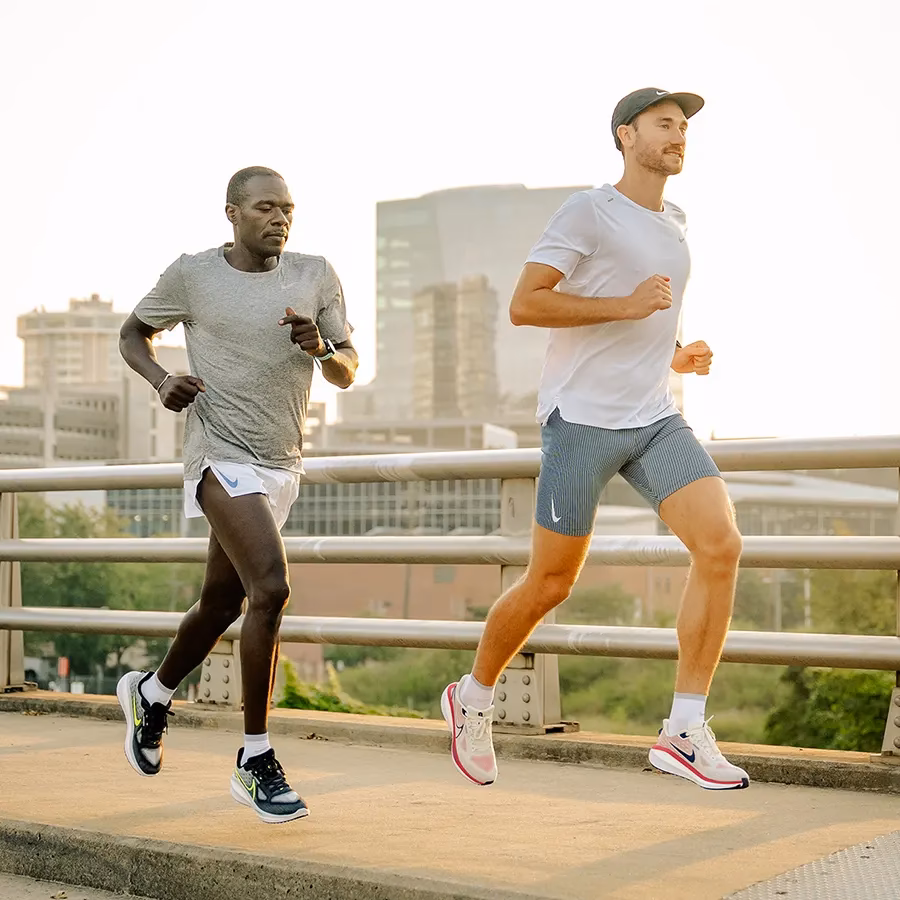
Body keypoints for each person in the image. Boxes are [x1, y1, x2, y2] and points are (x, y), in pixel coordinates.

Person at [442, 89, 749, 791]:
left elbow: (642, 319)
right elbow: (528, 303)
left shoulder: (674, 222)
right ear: (625, 135)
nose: (679, 136)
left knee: (721, 546)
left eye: (684, 128)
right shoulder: (589, 210)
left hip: (654, 417)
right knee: (551, 583)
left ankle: (683, 729)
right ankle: (474, 696)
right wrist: (627, 305)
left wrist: (674, 354)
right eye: (665, 125)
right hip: (580, 421)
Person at [116, 166, 357, 823]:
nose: (279, 219)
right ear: (232, 213)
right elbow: (132, 335)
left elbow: (347, 371)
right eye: (264, 208)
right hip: (217, 456)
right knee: (271, 588)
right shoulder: (194, 275)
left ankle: (153, 692)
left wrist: (321, 345)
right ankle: (256, 758)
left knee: (221, 601)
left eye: (287, 209)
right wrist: (161, 380)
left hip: (282, 463)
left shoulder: (315, 273)